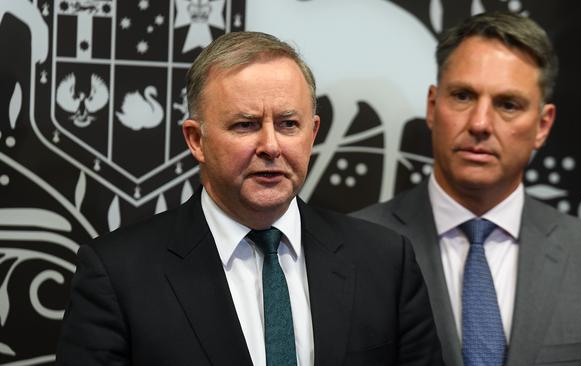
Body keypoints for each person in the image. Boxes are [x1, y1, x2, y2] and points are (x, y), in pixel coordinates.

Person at [56, 32, 442, 365]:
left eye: (289, 124)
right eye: (246, 125)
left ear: (313, 132)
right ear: (196, 140)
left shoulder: (385, 262)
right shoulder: (118, 275)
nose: (271, 146)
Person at [354, 11, 581, 366]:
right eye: (463, 96)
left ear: (543, 125)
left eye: (508, 104)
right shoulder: (352, 249)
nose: (480, 123)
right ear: (433, 107)